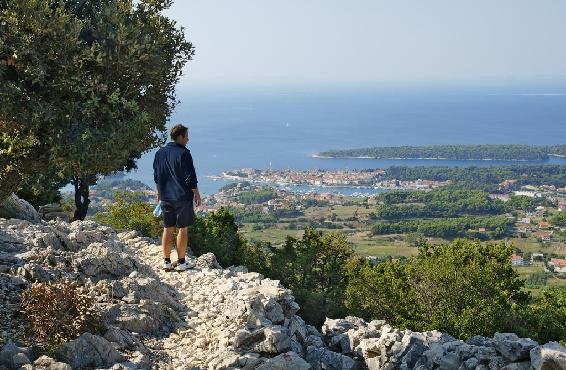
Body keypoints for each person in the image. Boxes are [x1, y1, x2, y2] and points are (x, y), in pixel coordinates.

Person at [153, 124, 202, 271]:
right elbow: (190, 178)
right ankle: (181, 263)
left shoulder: (159, 153)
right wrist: (197, 194)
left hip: (165, 197)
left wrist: (159, 193)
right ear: (180, 136)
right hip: (182, 197)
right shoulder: (184, 154)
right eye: (186, 136)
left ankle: (166, 262)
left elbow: (157, 176)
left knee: (167, 229)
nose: (188, 139)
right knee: (182, 229)